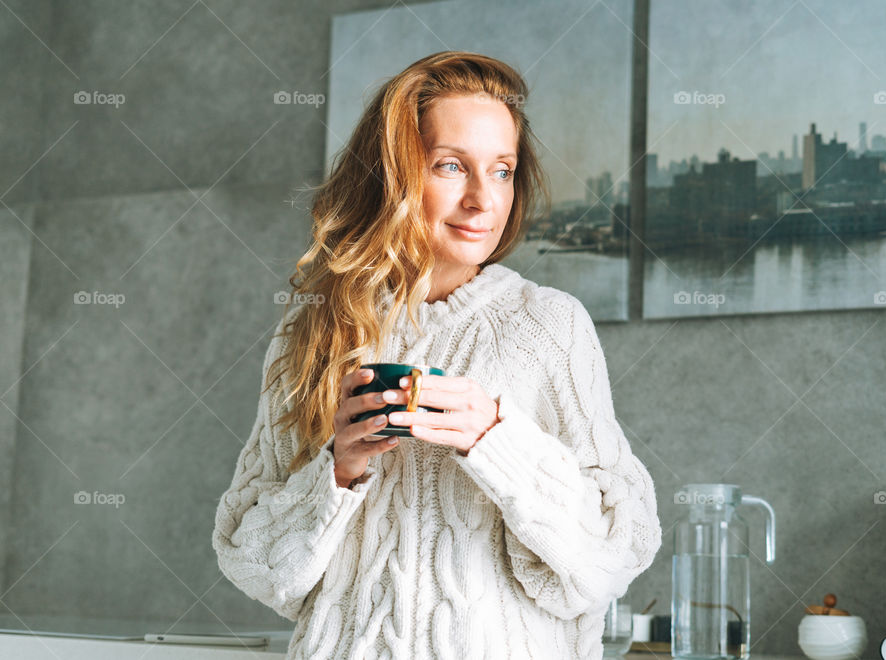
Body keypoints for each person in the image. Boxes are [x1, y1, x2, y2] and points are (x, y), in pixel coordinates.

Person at [212, 50, 661, 659]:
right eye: (451, 166)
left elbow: (614, 552)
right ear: (392, 177)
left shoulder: (549, 324)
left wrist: (495, 438)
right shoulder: (312, 332)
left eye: (501, 170)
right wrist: (339, 472)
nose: (483, 199)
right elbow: (256, 565)